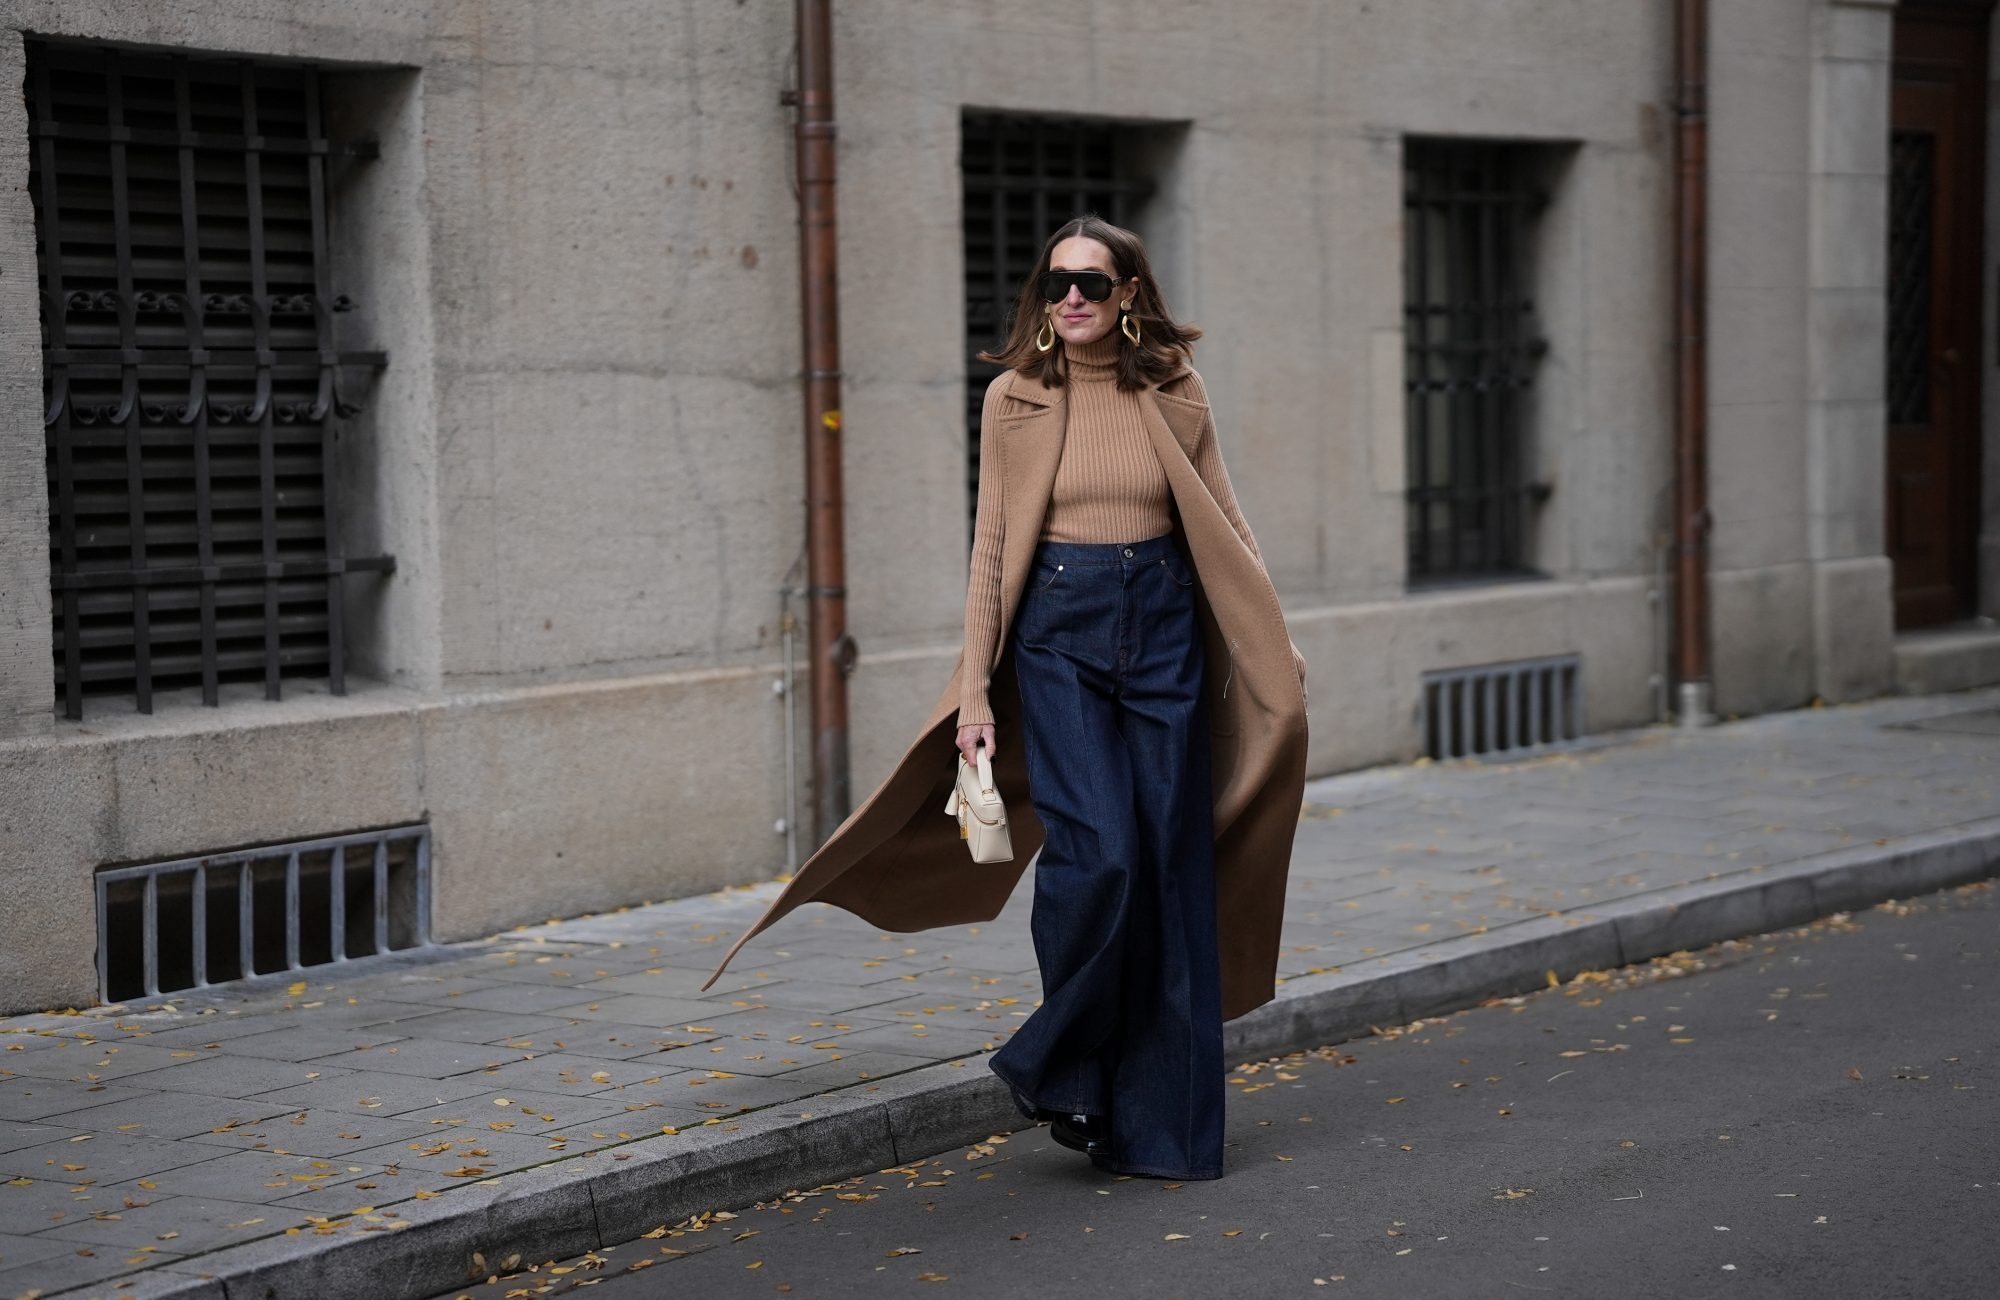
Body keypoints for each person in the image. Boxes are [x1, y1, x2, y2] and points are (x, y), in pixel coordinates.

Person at [699, 214, 1307, 1184]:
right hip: (1056, 639)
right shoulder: (1014, 398)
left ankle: (1153, 1128)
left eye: (1092, 284)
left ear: (1129, 298)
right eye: (1056, 281)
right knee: (1098, 853)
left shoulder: (1175, 392)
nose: (1070, 297)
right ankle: (1062, 1064)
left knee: (1168, 872)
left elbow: (1224, 518)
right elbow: (990, 548)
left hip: (1163, 634)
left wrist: (1271, 640)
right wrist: (974, 689)